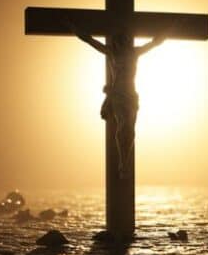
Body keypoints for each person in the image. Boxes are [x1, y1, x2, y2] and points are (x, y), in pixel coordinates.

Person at [71, 26, 165, 178]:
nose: (122, 42)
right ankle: (123, 163)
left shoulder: (134, 52)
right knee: (123, 125)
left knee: (131, 129)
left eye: (124, 39)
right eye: (120, 40)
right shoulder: (111, 52)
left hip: (131, 94)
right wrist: (74, 28)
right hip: (118, 94)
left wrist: (171, 28)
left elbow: (154, 44)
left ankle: (125, 160)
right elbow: (90, 41)